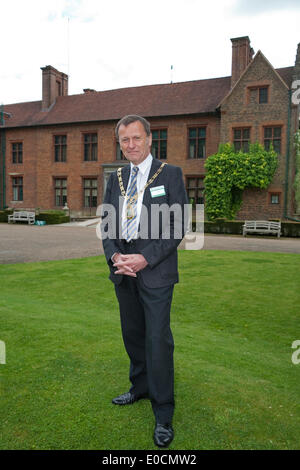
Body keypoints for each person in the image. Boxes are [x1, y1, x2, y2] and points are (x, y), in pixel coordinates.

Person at [101, 114, 188, 448]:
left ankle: (163, 410)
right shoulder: (117, 177)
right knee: (133, 334)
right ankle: (139, 387)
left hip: (155, 268)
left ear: (150, 139)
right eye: (125, 140)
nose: (131, 145)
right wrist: (115, 257)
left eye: (136, 138)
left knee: (157, 339)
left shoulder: (170, 174)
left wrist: (146, 257)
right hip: (123, 267)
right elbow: (107, 223)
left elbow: (177, 226)